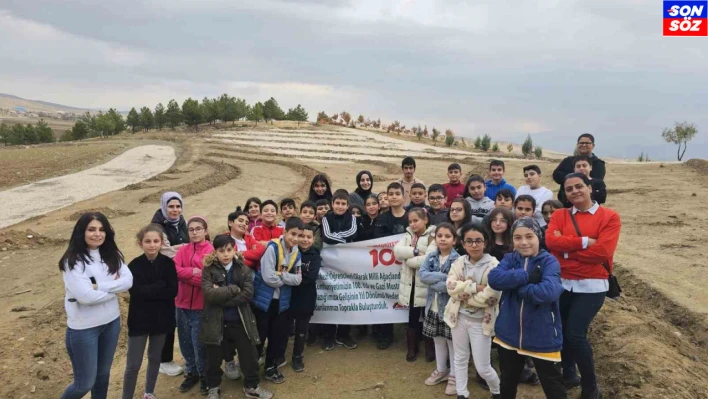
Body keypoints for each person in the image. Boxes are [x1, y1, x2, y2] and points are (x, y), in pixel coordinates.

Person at [546, 173, 621, 399]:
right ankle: (569, 374)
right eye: (569, 189)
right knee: (562, 332)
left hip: (592, 286)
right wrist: (585, 242)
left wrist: (565, 252)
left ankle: (591, 388)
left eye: (579, 186)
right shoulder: (559, 214)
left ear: (589, 188)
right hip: (563, 284)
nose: (575, 191)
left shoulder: (609, 216)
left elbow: (604, 252)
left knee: (576, 335)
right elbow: (551, 243)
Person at [487, 217, 567, 399]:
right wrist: (526, 276)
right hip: (508, 333)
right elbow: (494, 279)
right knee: (507, 382)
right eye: (517, 237)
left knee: (553, 386)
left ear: (538, 236)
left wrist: (515, 284)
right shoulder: (510, 258)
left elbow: (548, 292)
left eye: (529, 236)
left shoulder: (549, 262)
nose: (523, 242)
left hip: (543, 335)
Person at [59, 212, 133, 399]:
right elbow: (85, 297)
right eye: (91, 229)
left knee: (102, 376)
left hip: (111, 323)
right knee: (84, 384)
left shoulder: (112, 255)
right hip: (84, 329)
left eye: (102, 230)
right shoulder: (72, 261)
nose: (97, 234)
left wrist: (99, 286)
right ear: (81, 232)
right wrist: (115, 290)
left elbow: (129, 281)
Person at [200, 234, 273, 399]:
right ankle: (213, 388)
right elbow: (208, 294)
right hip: (215, 322)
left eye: (229, 250)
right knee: (213, 359)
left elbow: (247, 294)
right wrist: (233, 289)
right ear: (215, 252)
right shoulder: (209, 269)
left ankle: (252, 386)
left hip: (241, 320)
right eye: (221, 251)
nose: (225, 254)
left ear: (235, 250)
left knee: (249, 356)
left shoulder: (243, 268)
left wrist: (221, 295)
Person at [444, 224, 502, 399]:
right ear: (463, 243)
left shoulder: (494, 265)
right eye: (469, 241)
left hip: (480, 322)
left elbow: (491, 297)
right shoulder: (459, 262)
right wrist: (476, 287)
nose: (474, 245)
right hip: (459, 318)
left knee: (483, 367)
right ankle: (462, 394)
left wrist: (463, 293)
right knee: (460, 358)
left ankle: (497, 391)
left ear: (485, 242)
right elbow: (450, 287)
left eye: (478, 241)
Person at [123, 224, 178, 399]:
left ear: (162, 242)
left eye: (156, 241)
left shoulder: (168, 263)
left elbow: (173, 292)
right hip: (139, 321)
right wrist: (160, 286)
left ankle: (149, 392)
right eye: (148, 241)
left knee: (155, 359)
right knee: (133, 364)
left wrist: (150, 290)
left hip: (161, 320)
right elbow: (136, 293)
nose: (152, 245)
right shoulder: (134, 266)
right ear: (141, 243)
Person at [252, 218, 303, 384]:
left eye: (299, 235)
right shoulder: (272, 248)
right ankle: (251, 372)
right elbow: (268, 278)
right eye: (293, 234)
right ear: (284, 232)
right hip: (264, 301)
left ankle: (270, 367)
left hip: (281, 303)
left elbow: (298, 279)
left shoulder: (297, 253)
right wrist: (286, 278)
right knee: (259, 335)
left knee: (277, 336)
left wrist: (281, 275)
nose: (295, 238)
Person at [419, 223, 461, 396]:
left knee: (452, 343)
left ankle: (454, 375)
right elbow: (423, 275)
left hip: (449, 309)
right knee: (438, 339)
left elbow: (452, 286)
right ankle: (441, 369)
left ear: (454, 240)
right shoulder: (430, 257)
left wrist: (439, 282)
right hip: (433, 307)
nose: (443, 239)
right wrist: (444, 277)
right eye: (439, 236)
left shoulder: (457, 259)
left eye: (447, 236)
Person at [174, 216, 214, 394]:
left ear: (205, 231)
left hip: (200, 306)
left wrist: (187, 276)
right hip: (181, 304)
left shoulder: (211, 251)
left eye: (198, 229)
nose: (195, 232)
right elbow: (174, 271)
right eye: (191, 229)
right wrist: (192, 271)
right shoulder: (182, 251)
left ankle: (204, 374)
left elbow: (208, 279)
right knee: (184, 341)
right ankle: (191, 372)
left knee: (199, 343)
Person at [149, 191, 187, 377]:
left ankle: (184, 355)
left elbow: (177, 249)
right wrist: (186, 250)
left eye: (178, 206)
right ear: (164, 206)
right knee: (166, 320)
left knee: (179, 318)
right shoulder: (157, 226)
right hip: (163, 279)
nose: (175, 210)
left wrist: (179, 249)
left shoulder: (181, 222)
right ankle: (164, 360)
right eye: (171, 206)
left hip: (179, 277)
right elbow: (164, 252)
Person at [393, 208, 438, 362]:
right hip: (410, 286)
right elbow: (397, 251)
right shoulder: (407, 236)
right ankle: (412, 348)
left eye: (416, 220)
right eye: (410, 221)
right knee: (412, 317)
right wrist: (416, 250)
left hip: (425, 286)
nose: (412, 224)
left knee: (427, 318)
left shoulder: (433, 236)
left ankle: (429, 349)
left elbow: (429, 259)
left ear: (425, 219)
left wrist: (409, 258)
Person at [321, 189, 361, 350]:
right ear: (332, 204)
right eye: (337, 203)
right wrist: (343, 240)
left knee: (346, 297)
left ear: (347, 205)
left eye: (343, 204)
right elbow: (326, 236)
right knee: (330, 298)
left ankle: (344, 334)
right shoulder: (326, 218)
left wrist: (336, 238)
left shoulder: (351, 218)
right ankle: (329, 336)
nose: (340, 206)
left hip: (346, 263)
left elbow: (353, 231)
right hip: (329, 263)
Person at [372, 182, 409, 349]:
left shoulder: (410, 217)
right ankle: (385, 335)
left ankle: (411, 338)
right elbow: (378, 242)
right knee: (386, 298)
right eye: (390, 194)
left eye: (397, 193)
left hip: (407, 266)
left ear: (403, 197)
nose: (394, 197)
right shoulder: (381, 218)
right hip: (386, 268)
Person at [288, 224, 322, 372]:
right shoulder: (290, 252)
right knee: (285, 327)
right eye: (301, 236)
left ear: (313, 239)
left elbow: (310, 278)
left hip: (306, 297)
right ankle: (278, 355)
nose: (304, 240)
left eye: (308, 237)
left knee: (302, 329)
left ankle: (297, 356)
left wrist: (292, 276)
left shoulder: (315, 255)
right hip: (288, 296)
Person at [552, 134, 606, 201]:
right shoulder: (567, 160)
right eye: (581, 143)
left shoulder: (598, 164)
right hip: (566, 202)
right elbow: (556, 175)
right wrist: (575, 177)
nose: (584, 145)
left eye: (587, 143)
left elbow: (596, 182)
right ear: (577, 145)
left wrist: (571, 177)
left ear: (593, 145)